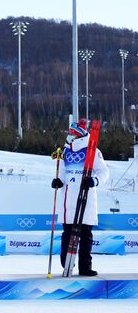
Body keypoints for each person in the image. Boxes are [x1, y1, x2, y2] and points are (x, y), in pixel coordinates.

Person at [51, 118, 109, 276]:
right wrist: (58, 181)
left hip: (86, 199)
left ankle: (85, 267)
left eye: (72, 133)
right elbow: (63, 172)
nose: (69, 135)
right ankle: (66, 264)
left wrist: (95, 180)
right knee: (67, 234)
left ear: (79, 134)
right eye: (69, 132)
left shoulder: (93, 151)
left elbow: (104, 172)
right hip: (68, 199)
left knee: (85, 235)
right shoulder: (66, 151)